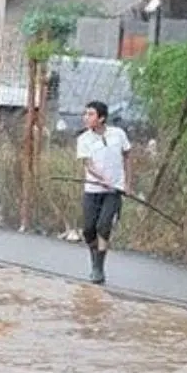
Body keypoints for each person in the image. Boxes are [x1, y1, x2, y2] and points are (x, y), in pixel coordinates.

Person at [76, 100, 132, 284]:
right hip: (93, 189)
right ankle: (94, 257)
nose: (86, 117)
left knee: (103, 226)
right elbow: (88, 164)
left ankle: (99, 268)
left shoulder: (118, 134)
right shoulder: (83, 139)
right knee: (88, 230)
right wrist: (101, 179)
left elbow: (127, 156)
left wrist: (127, 183)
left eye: (91, 114)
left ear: (101, 118)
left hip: (113, 190)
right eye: (86, 114)